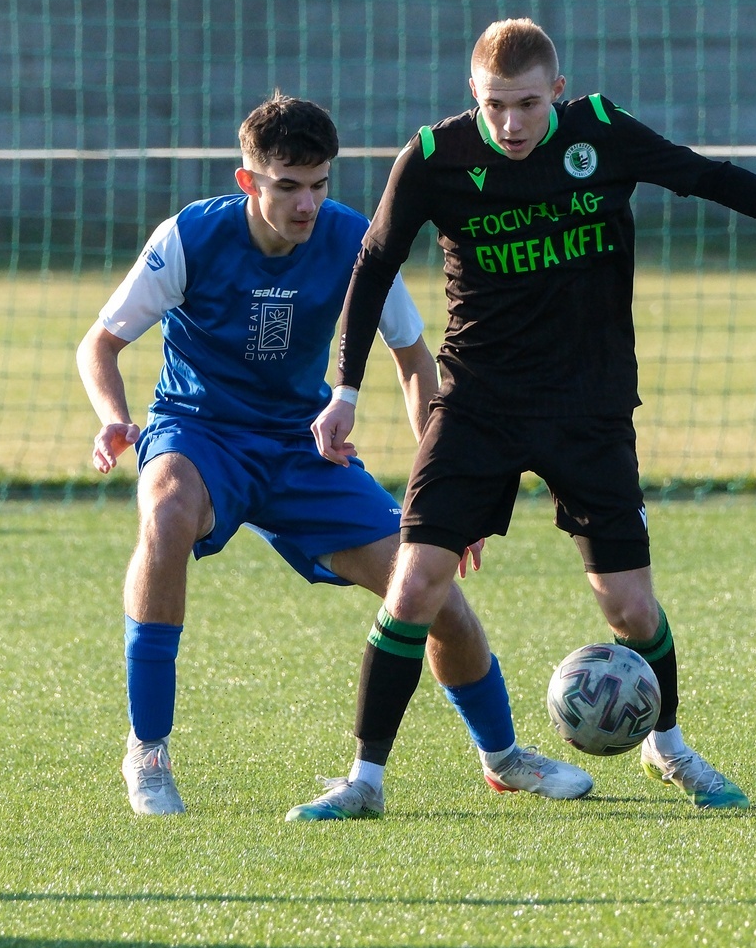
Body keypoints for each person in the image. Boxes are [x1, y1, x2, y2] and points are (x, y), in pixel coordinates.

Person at [314, 18, 756, 812]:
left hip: (588, 407)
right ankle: (365, 781)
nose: (510, 123)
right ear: (472, 96)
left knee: (629, 606)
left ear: (557, 92)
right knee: (414, 585)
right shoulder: (433, 157)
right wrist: (345, 392)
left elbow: (708, 177)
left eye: (527, 104)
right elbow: (375, 263)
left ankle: (668, 746)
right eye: (494, 105)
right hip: (478, 403)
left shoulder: (601, 133)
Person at [75, 92, 590, 820]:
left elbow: (414, 362)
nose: (307, 204)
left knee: (431, 593)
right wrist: (115, 419)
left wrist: (446, 488)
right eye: (288, 186)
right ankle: (149, 751)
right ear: (248, 181)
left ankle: (503, 757)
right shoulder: (190, 236)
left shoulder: (355, 241)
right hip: (199, 432)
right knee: (165, 515)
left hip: (302, 445)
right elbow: (99, 345)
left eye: (319, 184)